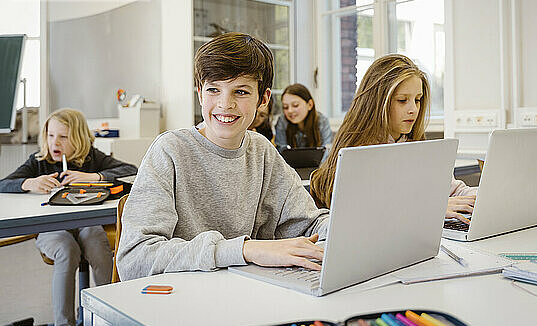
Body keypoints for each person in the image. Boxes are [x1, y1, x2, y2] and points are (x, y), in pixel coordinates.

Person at [116, 32, 329, 281]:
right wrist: (244, 250)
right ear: (199, 93)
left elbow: (309, 224)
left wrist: (344, 230)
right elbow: (135, 259)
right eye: (214, 90)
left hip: (245, 296)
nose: (225, 104)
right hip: (182, 301)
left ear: (264, 99)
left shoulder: (262, 151)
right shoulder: (169, 151)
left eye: (241, 92)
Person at [0, 108, 137, 326]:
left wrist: (94, 176)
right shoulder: (38, 162)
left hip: (87, 225)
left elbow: (131, 170)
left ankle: (110, 317)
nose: (56, 142)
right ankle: (65, 325)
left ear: (79, 139)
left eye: (63, 137)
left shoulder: (91, 158)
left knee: (96, 243)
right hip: (52, 229)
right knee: (66, 250)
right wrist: (28, 183)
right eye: (51, 135)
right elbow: (3, 184)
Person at [310, 54, 476, 223]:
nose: (414, 109)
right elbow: (370, 212)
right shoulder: (358, 153)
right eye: (402, 100)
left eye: (418, 100)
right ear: (377, 102)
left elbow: (454, 190)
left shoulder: (415, 146)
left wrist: (482, 198)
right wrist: (431, 208)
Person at [274, 83, 333, 159]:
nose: (290, 111)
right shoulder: (282, 121)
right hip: (289, 169)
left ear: (310, 105)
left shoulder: (322, 121)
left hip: (318, 169)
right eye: (285, 107)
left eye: (295, 105)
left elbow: (327, 151)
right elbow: (281, 153)